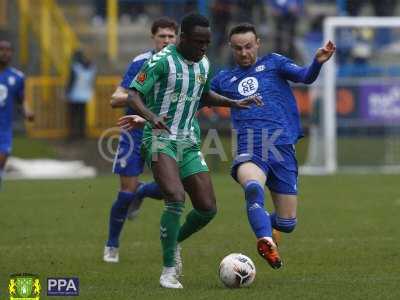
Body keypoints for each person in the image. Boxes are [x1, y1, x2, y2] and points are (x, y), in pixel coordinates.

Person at [113, 13, 261, 289]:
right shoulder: (160, 61)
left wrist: (236, 103)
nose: (204, 48)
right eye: (198, 42)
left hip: (190, 142)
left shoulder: (203, 63)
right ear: (183, 39)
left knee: (207, 208)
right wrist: (150, 117)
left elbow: (204, 95)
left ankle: (174, 241)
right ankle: (168, 270)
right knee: (175, 196)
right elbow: (133, 94)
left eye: (207, 42)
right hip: (159, 139)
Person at [211, 23, 335, 269]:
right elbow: (197, 99)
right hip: (251, 146)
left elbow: (304, 76)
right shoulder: (223, 79)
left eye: (248, 46)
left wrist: (318, 62)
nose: (244, 53)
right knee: (253, 187)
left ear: (257, 42)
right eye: (238, 48)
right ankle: (266, 240)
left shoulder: (275, 63)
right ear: (230, 48)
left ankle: (268, 228)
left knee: (287, 222)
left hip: (282, 148)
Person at [103, 17, 178, 263]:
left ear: (177, 38)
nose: (166, 41)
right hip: (134, 133)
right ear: (153, 38)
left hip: (164, 133)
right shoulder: (141, 62)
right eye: (162, 36)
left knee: (173, 190)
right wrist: (135, 98)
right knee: (125, 193)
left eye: (170, 36)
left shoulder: (182, 64)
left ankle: (143, 191)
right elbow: (116, 98)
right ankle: (112, 244)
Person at [0, 39, 34, 189]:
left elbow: (21, 100)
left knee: (1, 161)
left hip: (4, 129)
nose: (4, 52)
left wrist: (27, 111)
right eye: (1, 49)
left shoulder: (18, 77)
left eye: (8, 50)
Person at [65, 49, 96, 139]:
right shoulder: (91, 68)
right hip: (85, 95)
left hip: (74, 95)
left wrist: (66, 92)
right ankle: (82, 134)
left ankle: (72, 134)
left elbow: (71, 82)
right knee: (82, 116)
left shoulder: (75, 67)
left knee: (73, 116)